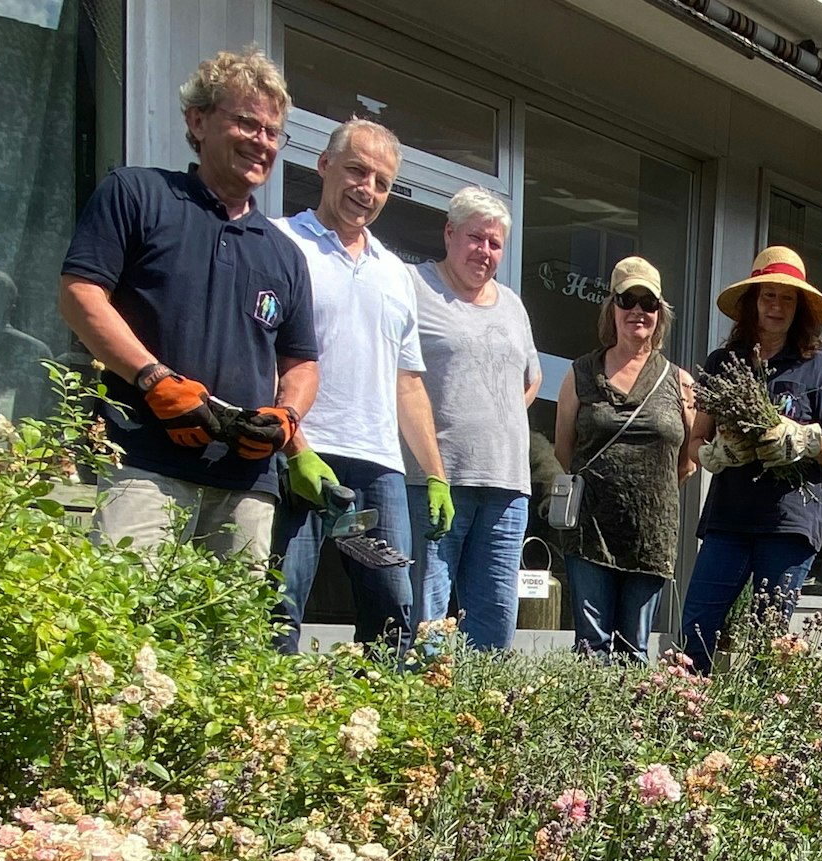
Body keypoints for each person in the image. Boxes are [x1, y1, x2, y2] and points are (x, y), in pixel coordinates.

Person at [59, 47, 318, 563]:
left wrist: (287, 416)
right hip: (140, 461)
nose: (262, 141)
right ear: (197, 121)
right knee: (124, 607)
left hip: (246, 483)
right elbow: (80, 294)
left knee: (231, 616)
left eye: (273, 132)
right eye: (247, 123)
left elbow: (302, 363)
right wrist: (153, 380)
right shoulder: (137, 194)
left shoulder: (285, 254)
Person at [271, 119, 453, 656]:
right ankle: (268, 711)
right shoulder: (280, 242)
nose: (367, 189)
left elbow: (408, 381)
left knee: (392, 613)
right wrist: (293, 443)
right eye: (356, 170)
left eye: (382, 182)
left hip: (377, 465)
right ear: (324, 165)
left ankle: (375, 709)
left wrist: (436, 474)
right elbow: (262, 356)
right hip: (298, 453)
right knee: (277, 603)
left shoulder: (395, 273)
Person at [679, 246, 822, 673]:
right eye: (769, 295)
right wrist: (711, 453)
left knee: (767, 639)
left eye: (787, 298)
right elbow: (696, 438)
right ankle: (683, 703)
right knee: (696, 629)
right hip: (729, 518)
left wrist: (807, 439)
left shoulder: (817, 366)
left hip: (788, 522)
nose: (776, 306)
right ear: (752, 302)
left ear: (800, 308)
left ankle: (757, 712)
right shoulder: (723, 363)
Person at [405, 186, 540, 651]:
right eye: (476, 238)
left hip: (507, 487)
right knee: (427, 622)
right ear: (449, 233)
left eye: (495, 243)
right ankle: (422, 696)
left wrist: (496, 417)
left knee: (495, 622)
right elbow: (397, 376)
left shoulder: (512, 304)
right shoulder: (415, 286)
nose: (485, 251)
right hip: (436, 481)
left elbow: (532, 378)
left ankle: (480, 699)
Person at [553, 257, 699, 659]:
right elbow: (564, 450)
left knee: (634, 650)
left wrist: (647, 493)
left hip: (651, 535)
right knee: (592, 648)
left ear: (660, 313)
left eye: (648, 302)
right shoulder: (580, 374)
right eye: (627, 299)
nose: (638, 310)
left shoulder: (680, 382)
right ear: (612, 308)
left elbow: (689, 460)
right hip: (589, 530)